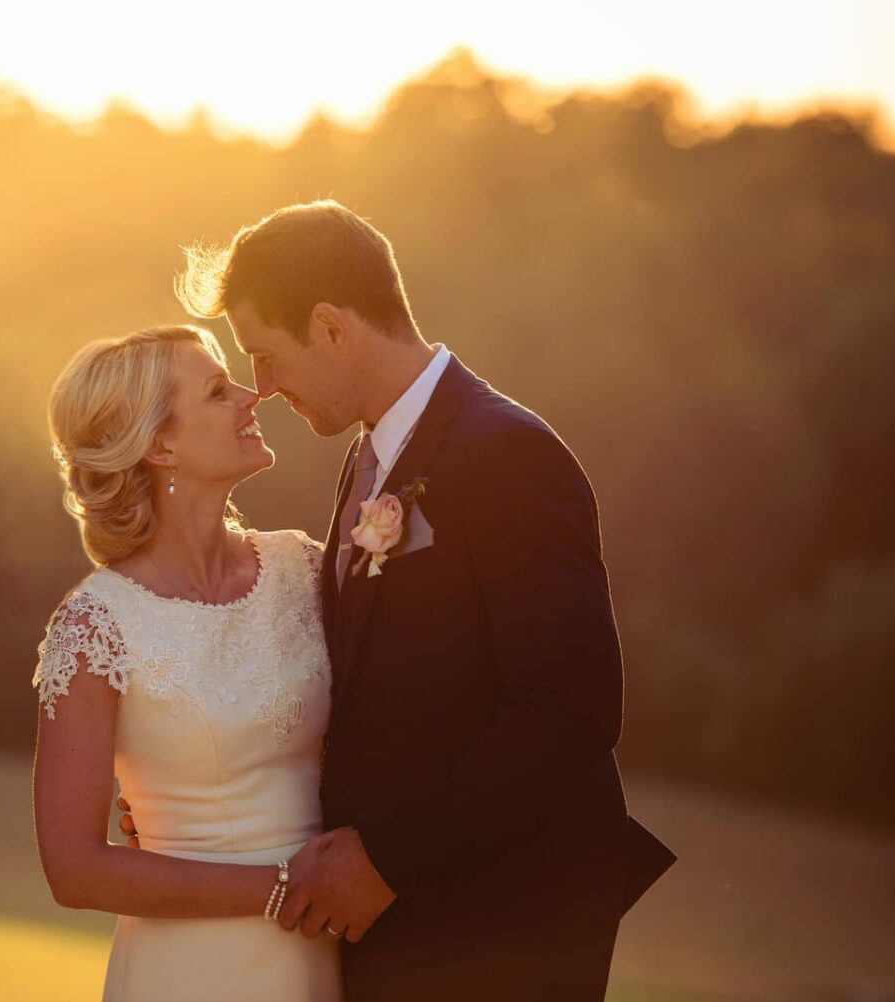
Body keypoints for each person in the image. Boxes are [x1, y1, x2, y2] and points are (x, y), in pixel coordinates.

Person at [119, 199, 677, 999]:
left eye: (267, 357)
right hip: (411, 927)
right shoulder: (368, 460)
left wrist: (386, 860)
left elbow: (569, 711)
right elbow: (372, 694)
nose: (264, 389)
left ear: (332, 327)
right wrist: (189, 793)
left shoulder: (508, 454)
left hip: (505, 930)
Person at [31, 324, 343, 1001]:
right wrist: (287, 890)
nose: (249, 395)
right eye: (216, 390)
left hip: (331, 957)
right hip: (189, 970)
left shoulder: (303, 568)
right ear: (159, 444)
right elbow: (74, 871)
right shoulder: (96, 626)